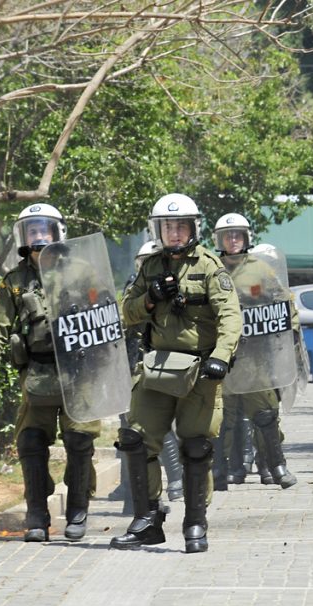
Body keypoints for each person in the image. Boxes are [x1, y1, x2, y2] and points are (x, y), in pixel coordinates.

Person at [110, 193, 241, 553]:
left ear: (193, 228)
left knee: (196, 447)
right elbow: (126, 312)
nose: (175, 234)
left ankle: (196, 522)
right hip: (157, 368)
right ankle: (147, 520)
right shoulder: (149, 266)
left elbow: (232, 317)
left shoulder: (211, 267)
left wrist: (221, 356)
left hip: (201, 371)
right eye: (168, 227)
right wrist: (150, 297)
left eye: (181, 226)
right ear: (159, 230)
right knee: (136, 440)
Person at [0, 203, 102, 542]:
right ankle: (37, 513)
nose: (38, 237)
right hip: (36, 373)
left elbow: (105, 315)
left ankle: (78, 508)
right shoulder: (15, 281)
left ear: (57, 233)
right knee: (30, 441)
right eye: (32, 231)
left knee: (80, 440)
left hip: (78, 373)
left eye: (44, 230)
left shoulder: (82, 272)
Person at [212, 215, 297, 490]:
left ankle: (278, 466)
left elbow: (283, 302)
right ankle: (219, 471)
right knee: (223, 417)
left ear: (246, 238)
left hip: (257, 357)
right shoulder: (212, 269)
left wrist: (290, 330)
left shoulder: (260, 269)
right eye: (228, 236)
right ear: (219, 240)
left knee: (266, 414)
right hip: (222, 355)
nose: (233, 240)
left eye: (237, 235)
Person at [109, 239, 184, 508]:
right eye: (142, 262)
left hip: (159, 362)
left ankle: (175, 480)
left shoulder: (173, 284)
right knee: (128, 428)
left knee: (156, 425)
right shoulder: (134, 288)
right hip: (130, 365)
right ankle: (130, 489)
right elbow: (122, 321)